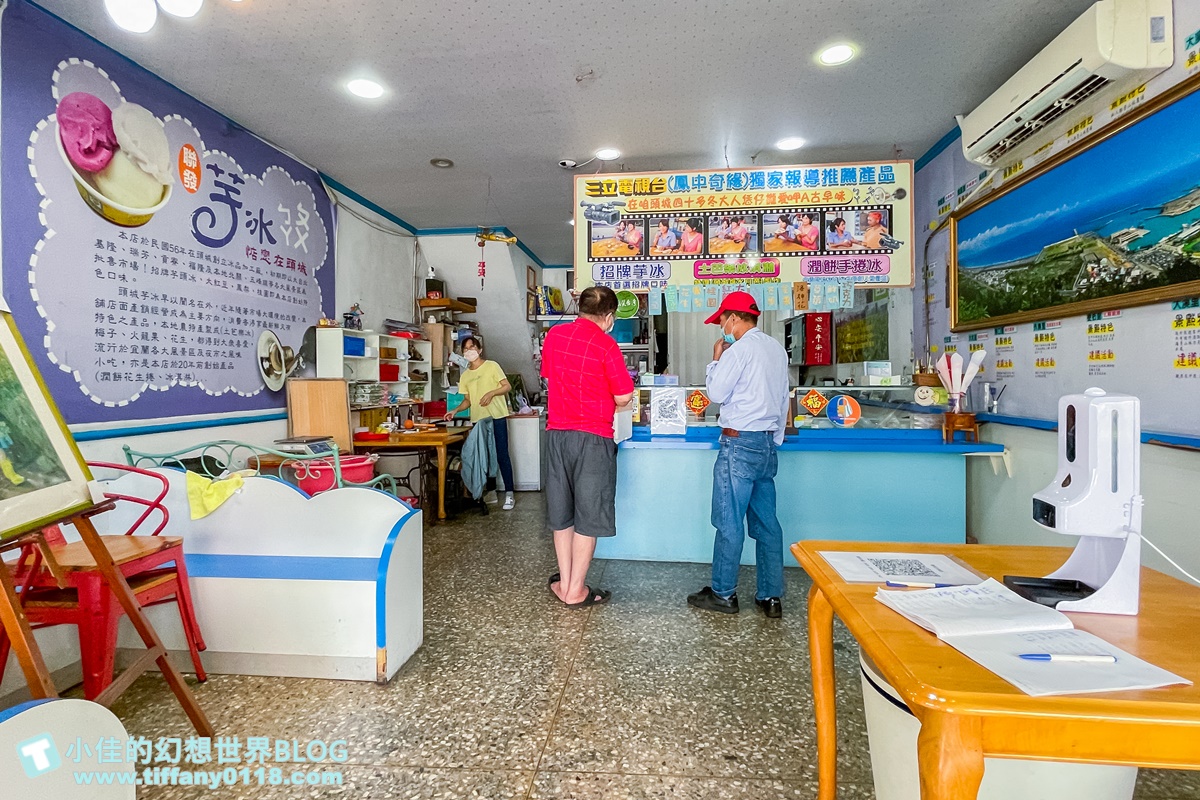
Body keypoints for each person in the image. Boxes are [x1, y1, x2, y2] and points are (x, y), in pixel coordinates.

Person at [687, 291, 790, 619]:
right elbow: (784, 398)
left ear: (733, 318)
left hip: (737, 447)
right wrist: (775, 438)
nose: (721, 327)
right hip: (766, 447)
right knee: (767, 524)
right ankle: (771, 597)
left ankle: (723, 593)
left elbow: (716, 394)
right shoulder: (775, 349)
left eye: (721, 320)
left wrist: (715, 359)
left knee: (729, 521)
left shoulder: (738, 350)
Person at [540, 286, 634, 608]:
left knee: (562, 514)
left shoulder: (554, 336)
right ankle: (576, 591)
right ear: (609, 317)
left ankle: (565, 584)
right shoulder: (607, 345)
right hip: (593, 439)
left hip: (556, 436)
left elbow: (550, 376)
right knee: (588, 516)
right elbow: (623, 397)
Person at [444, 336, 516, 509]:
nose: (469, 351)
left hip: (496, 416)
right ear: (462, 353)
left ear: (480, 349)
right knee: (484, 455)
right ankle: (490, 491)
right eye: (466, 349)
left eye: (472, 347)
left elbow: (507, 386)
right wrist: (455, 411)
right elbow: (468, 400)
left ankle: (509, 493)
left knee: (501, 454)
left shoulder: (492, 366)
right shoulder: (466, 376)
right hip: (478, 420)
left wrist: (492, 393)